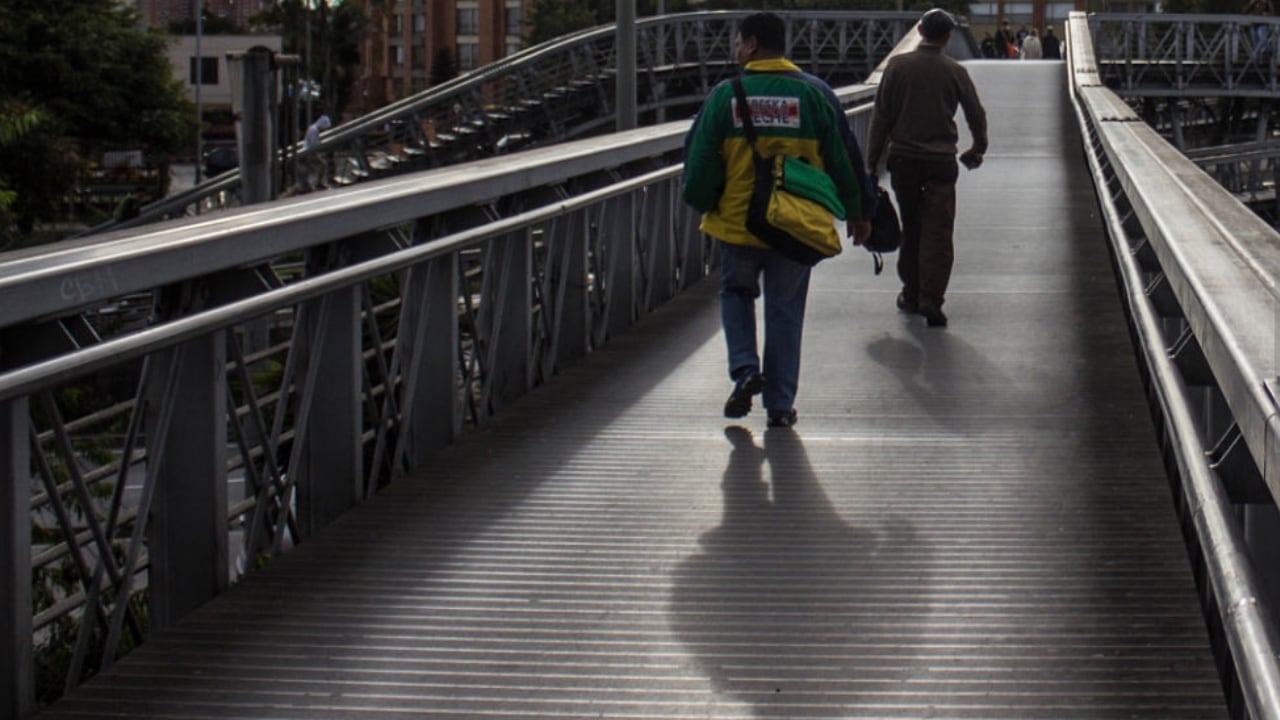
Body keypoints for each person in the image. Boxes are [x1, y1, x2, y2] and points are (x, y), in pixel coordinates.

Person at [682, 11, 875, 427]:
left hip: (738, 223)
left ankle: (746, 370)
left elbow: (698, 162)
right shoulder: (815, 94)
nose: (735, 49)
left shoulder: (725, 95)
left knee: (736, 294)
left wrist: (704, 201)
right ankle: (780, 405)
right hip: (795, 225)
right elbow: (845, 159)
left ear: (751, 44)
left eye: (737, 42)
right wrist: (858, 214)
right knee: (785, 311)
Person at [865, 8, 988, 328]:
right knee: (938, 232)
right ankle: (931, 298)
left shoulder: (897, 66)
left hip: (903, 160)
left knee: (911, 226)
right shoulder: (954, 70)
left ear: (919, 29)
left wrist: (871, 164)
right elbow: (975, 111)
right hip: (940, 162)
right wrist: (978, 147)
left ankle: (910, 290)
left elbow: (881, 118)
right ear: (948, 36)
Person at [302, 114, 331, 190]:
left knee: (315, 167)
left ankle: (312, 183)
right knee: (322, 164)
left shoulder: (313, 128)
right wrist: (319, 148)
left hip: (309, 150)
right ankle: (319, 182)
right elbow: (313, 143)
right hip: (310, 151)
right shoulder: (314, 130)